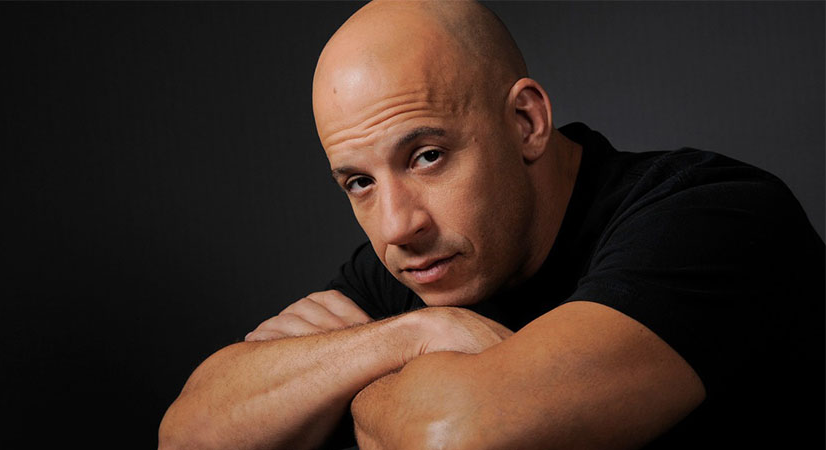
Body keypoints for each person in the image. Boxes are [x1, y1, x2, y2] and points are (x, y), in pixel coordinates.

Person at [158, 1, 824, 448]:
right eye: (359, 181)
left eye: (427, 156)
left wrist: (347, 383)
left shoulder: (714, 217)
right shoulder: (421, 267)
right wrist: (414, 336)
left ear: (526, 123)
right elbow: (188, 434)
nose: (397, 226)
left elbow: (460, 434)